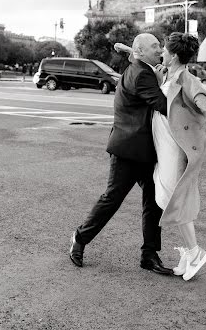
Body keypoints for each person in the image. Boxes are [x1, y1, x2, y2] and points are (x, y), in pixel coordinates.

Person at [115, 33, 206, 281]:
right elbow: (143, 58)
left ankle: (195, 252)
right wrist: (124, 48)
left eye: (163, 49)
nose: (160, 52)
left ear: (173, 55)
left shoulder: (187, 79)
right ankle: (189, 252)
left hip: (175, 150)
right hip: (162, 149)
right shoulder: (165, 73)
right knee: (166, 198)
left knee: (172, 200)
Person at [69, 33, 173, 275]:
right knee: (112, 199)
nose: (160, 49)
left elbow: (132, 53)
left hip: (144, 149)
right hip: (128, 149)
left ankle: (149, 254)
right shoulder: (143, 74)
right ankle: (79, 237)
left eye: (160, 45)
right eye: (155, 46)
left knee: (154, 202)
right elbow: (164, 106)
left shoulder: (138, 66)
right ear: (141, 52)